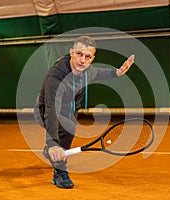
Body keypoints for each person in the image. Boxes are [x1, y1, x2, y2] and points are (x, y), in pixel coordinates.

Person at [34, 35, 135, 189]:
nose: (82, 60)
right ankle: (60, 172)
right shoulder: (56, 76)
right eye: (79, 54)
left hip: (68, 109)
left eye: (87, 57)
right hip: (45, 111)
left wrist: (118, 72)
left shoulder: (88, 71)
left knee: (68, 128)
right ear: (71, 53)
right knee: (67, 130)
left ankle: (52, 152)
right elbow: (51, 109)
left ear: (92, 58)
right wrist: (53, 143)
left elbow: (101, 73)